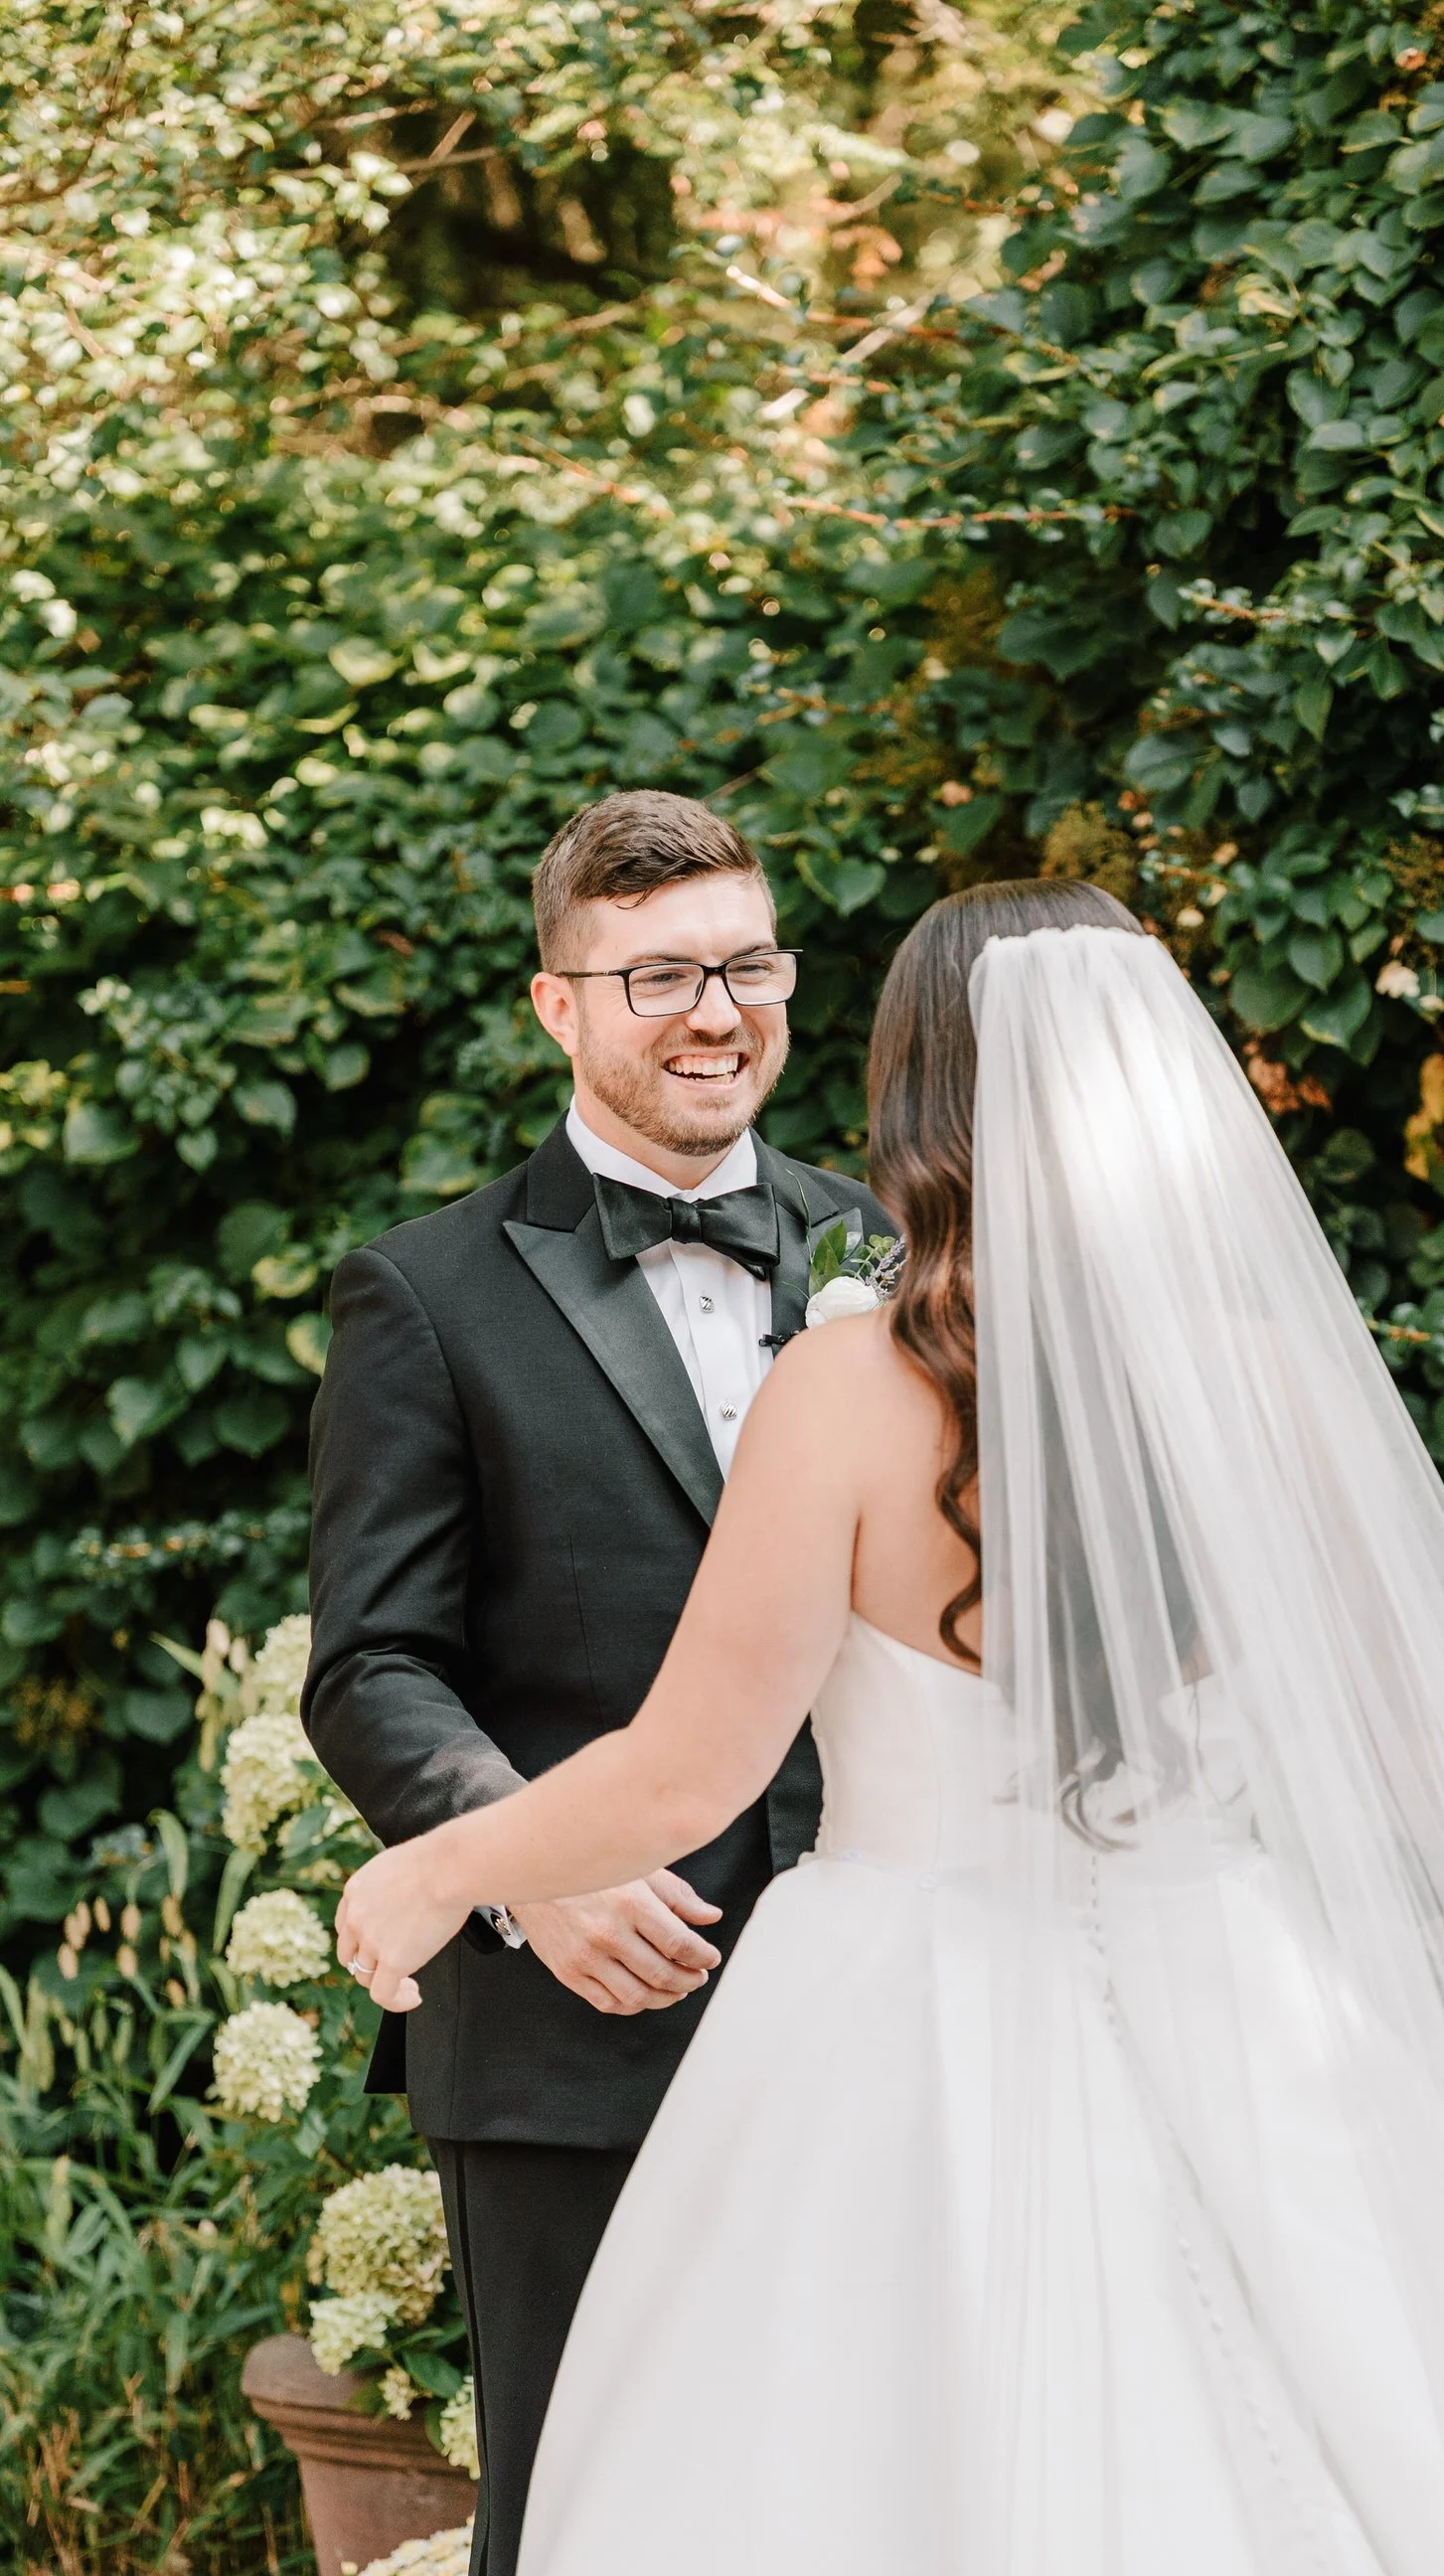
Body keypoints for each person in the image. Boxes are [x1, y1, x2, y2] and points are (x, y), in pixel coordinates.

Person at [335, 879, 1444, 2576]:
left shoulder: (847, 1387)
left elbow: (692, 1768)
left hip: (907, 2023)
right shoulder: (1273, 1381)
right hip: (1244, 1985)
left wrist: (434, 1870)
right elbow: (1411, 1757)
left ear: (925, 1089)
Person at [302, 789, 888, 2576]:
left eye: (747, 965)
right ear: (556, 1003)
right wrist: (527, 1871)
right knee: (584, 2527)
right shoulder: (424, 1294)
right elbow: (373, 1662)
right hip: (576, 2038)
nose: (718, 1014)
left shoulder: (895, 1252)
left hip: (887, 2014)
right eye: (658, 978)